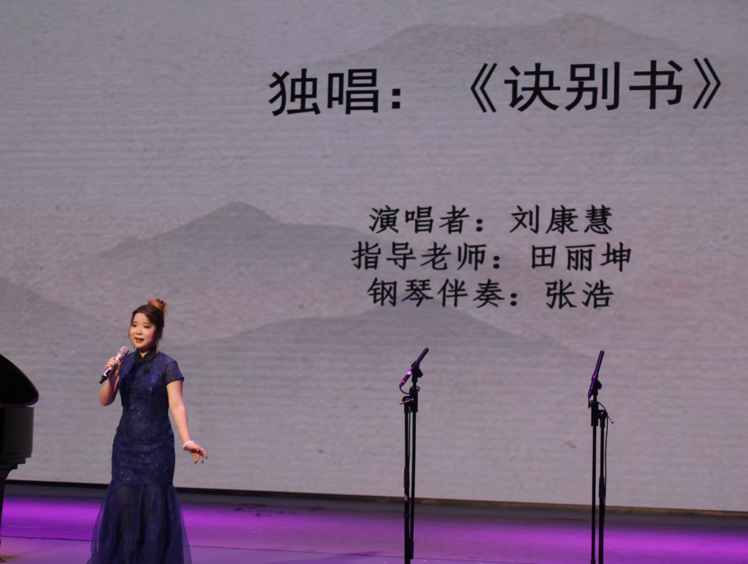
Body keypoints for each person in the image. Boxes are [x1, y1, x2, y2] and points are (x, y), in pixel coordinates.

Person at [88, 299, 206, 564]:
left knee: (154, 512)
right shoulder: (125, 363)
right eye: (134, 325)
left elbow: (177, 405)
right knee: (124, 510)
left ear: (158, 331)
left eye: (146, 326)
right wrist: (113, 376)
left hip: (156, 449)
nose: (138, 331)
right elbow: (105, 400)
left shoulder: (167, 365)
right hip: (126, 447)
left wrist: (187, 440)